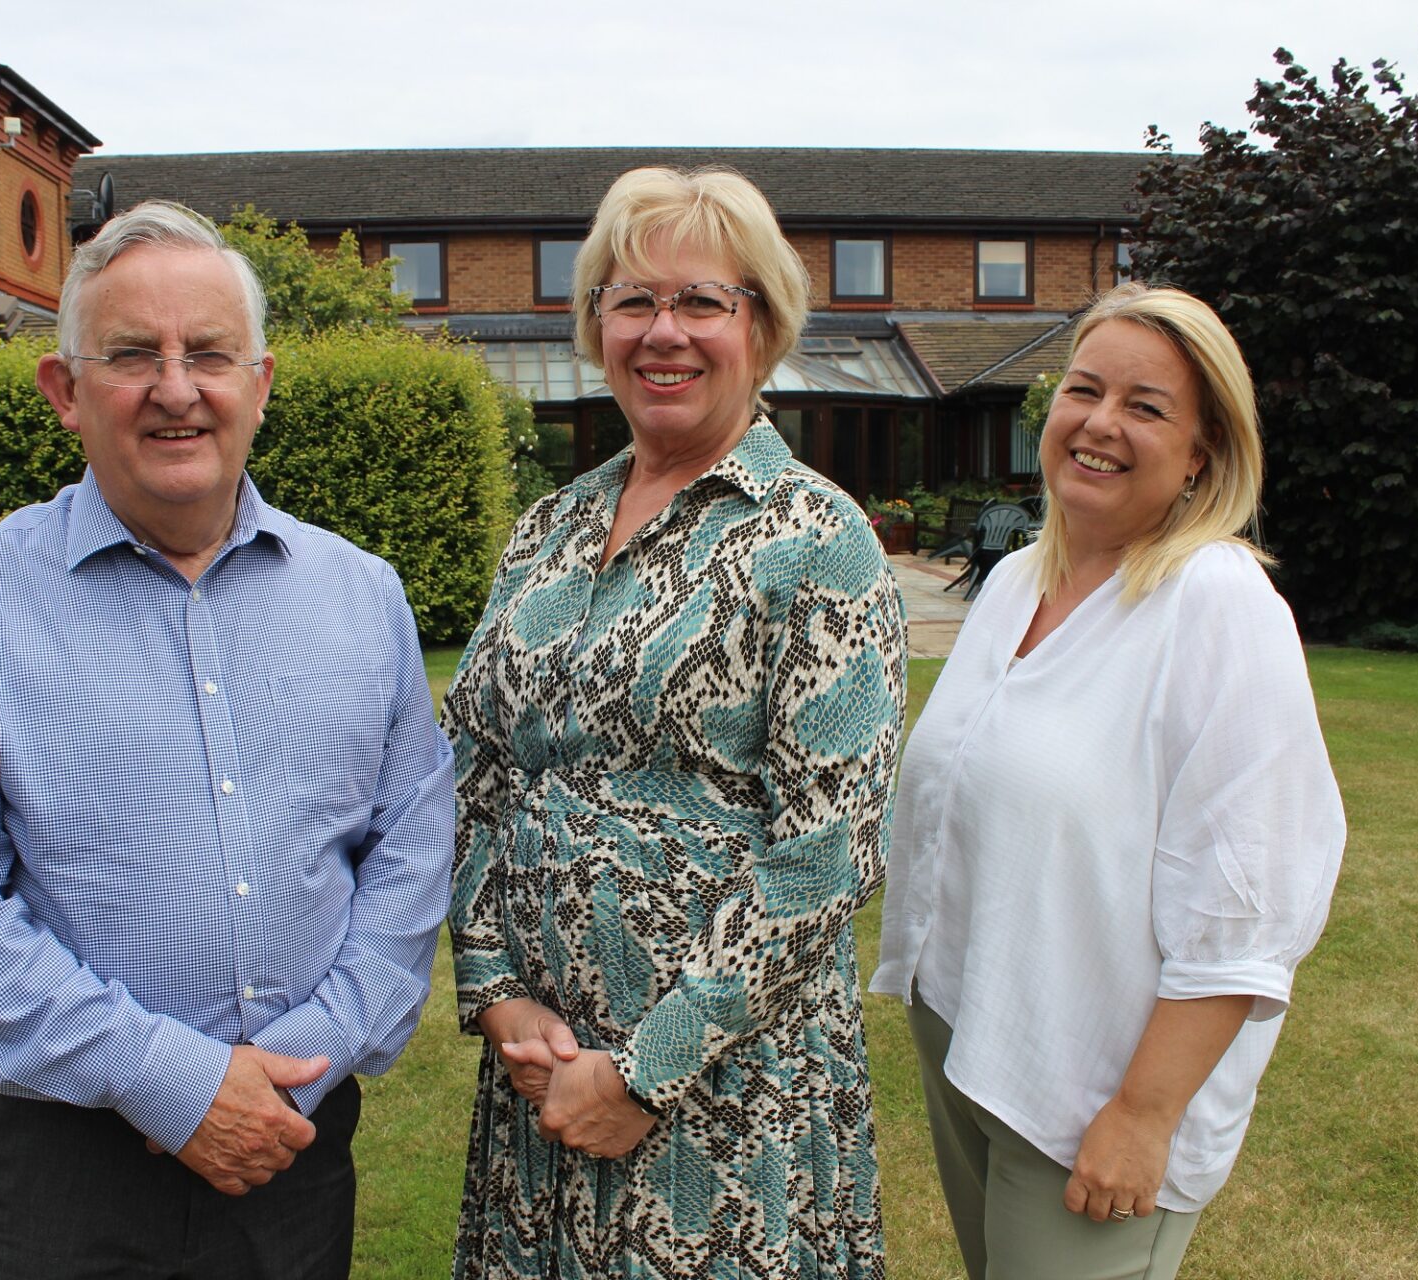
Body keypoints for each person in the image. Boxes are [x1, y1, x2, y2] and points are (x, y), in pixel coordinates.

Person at [0, 200, 454, 1280]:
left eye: (210, 355)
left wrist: (293, 1068)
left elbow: (411, 854)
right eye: (133, 354)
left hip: (293, 1145)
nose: (177, 388)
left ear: (262, 385)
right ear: (66, 391)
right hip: (52, 1160)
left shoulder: (363, 597)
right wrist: (172, 1079)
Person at [444, 165, 907, 1279]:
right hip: (541, 1084)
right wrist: (495, 986)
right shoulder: (547, 529)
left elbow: (822, 852)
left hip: (722, 1099)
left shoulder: (815, 540)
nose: (665, 331)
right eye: (633, 299)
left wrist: (645, 1071)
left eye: (703, 301)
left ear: (764, 326)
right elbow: (472, 766)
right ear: (594, 322)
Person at [871, 282, 1346, 1280]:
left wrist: (1145, 1112)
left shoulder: (1217, 603)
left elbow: (1253, 896)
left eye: (1146, 405)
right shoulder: (1014, 584)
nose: (1099, 423)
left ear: (1202, 451)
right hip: (974, 1036)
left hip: (1094, 1090)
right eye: (1085, 390)